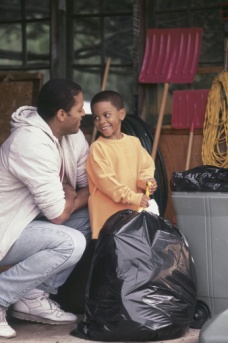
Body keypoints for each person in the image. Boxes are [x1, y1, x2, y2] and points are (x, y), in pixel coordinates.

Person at [0, 78, 91, 338]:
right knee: (70, 243)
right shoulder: (29, 142)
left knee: (86, 217)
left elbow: (89, 187)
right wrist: (72, 195)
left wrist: (72, 196)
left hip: (27, 224)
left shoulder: (73, 137)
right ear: (62, 114)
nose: (84, 113)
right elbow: (59, 214)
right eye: (79, 109)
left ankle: (32, 296)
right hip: (6, 228)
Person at [86, 90, 157, 239]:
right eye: (96, 117)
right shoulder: (97, 148)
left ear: (122, 114)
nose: (101, 122)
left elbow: (145, 167)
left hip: (133, 215)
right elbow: (107, 183)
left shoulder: (134, 142)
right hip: (107, 223)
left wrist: (146, 182)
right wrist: (134, 197)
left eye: (106, 115)